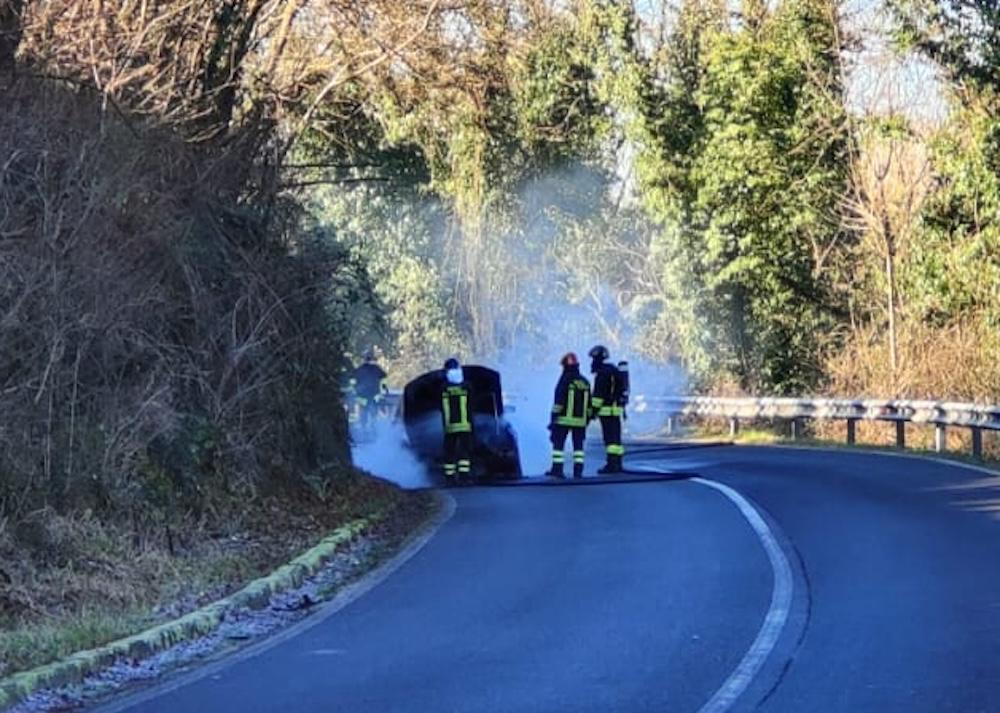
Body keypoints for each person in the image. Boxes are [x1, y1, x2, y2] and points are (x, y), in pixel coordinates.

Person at [547, 352, 591, 479]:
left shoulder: (565, 379)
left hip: (563, 420)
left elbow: (559, 401)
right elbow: (589, 405)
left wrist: (553, 419)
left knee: (558, 446)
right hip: (580, 422)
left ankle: (557, 470)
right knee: (578, 448)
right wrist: (586, 419)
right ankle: (578, 472)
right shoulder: (585, 381)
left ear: (565, 366)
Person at [589, 345, 625, 474]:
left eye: (593, 359)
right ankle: (618, 463)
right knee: (616, 438)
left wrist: (592, 412)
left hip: (606, 412)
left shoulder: (602, 374)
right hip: (616, 411)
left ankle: (611, 465)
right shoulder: (614, 371)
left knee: (609, 440)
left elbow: (598, 396)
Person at [441, 357, 473, 484]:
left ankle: (450, 478)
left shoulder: (444, 388)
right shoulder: (466, 386)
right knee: (464, 451)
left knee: (449, 452)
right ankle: (464, 477)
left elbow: (441, 407)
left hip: (450, 426)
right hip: (465, 425)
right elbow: (472, 405)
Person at [350, 350, 388, 430]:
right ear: (371, 359)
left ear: (363, 359)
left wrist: (354, 389)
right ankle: (373, 427)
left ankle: (364, 428)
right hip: (373, 394)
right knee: (373, 412)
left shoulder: (359, 369)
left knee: (364, 413)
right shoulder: (376, 368)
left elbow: (353, 380)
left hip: (362, 395)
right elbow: (384, 376)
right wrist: (384, 387)